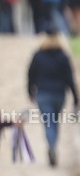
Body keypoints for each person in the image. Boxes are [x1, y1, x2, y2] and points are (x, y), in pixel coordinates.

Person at [27, 31, 78, 167]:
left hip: (43, 93)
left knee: (48, 121)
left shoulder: (38, 55)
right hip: (59, 94)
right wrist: (75, 97)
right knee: (54, 121)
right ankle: (53, 145)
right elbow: (69, 78)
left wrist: (30, 91)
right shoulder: (63, 56)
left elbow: (30, 74)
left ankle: (51, 146)